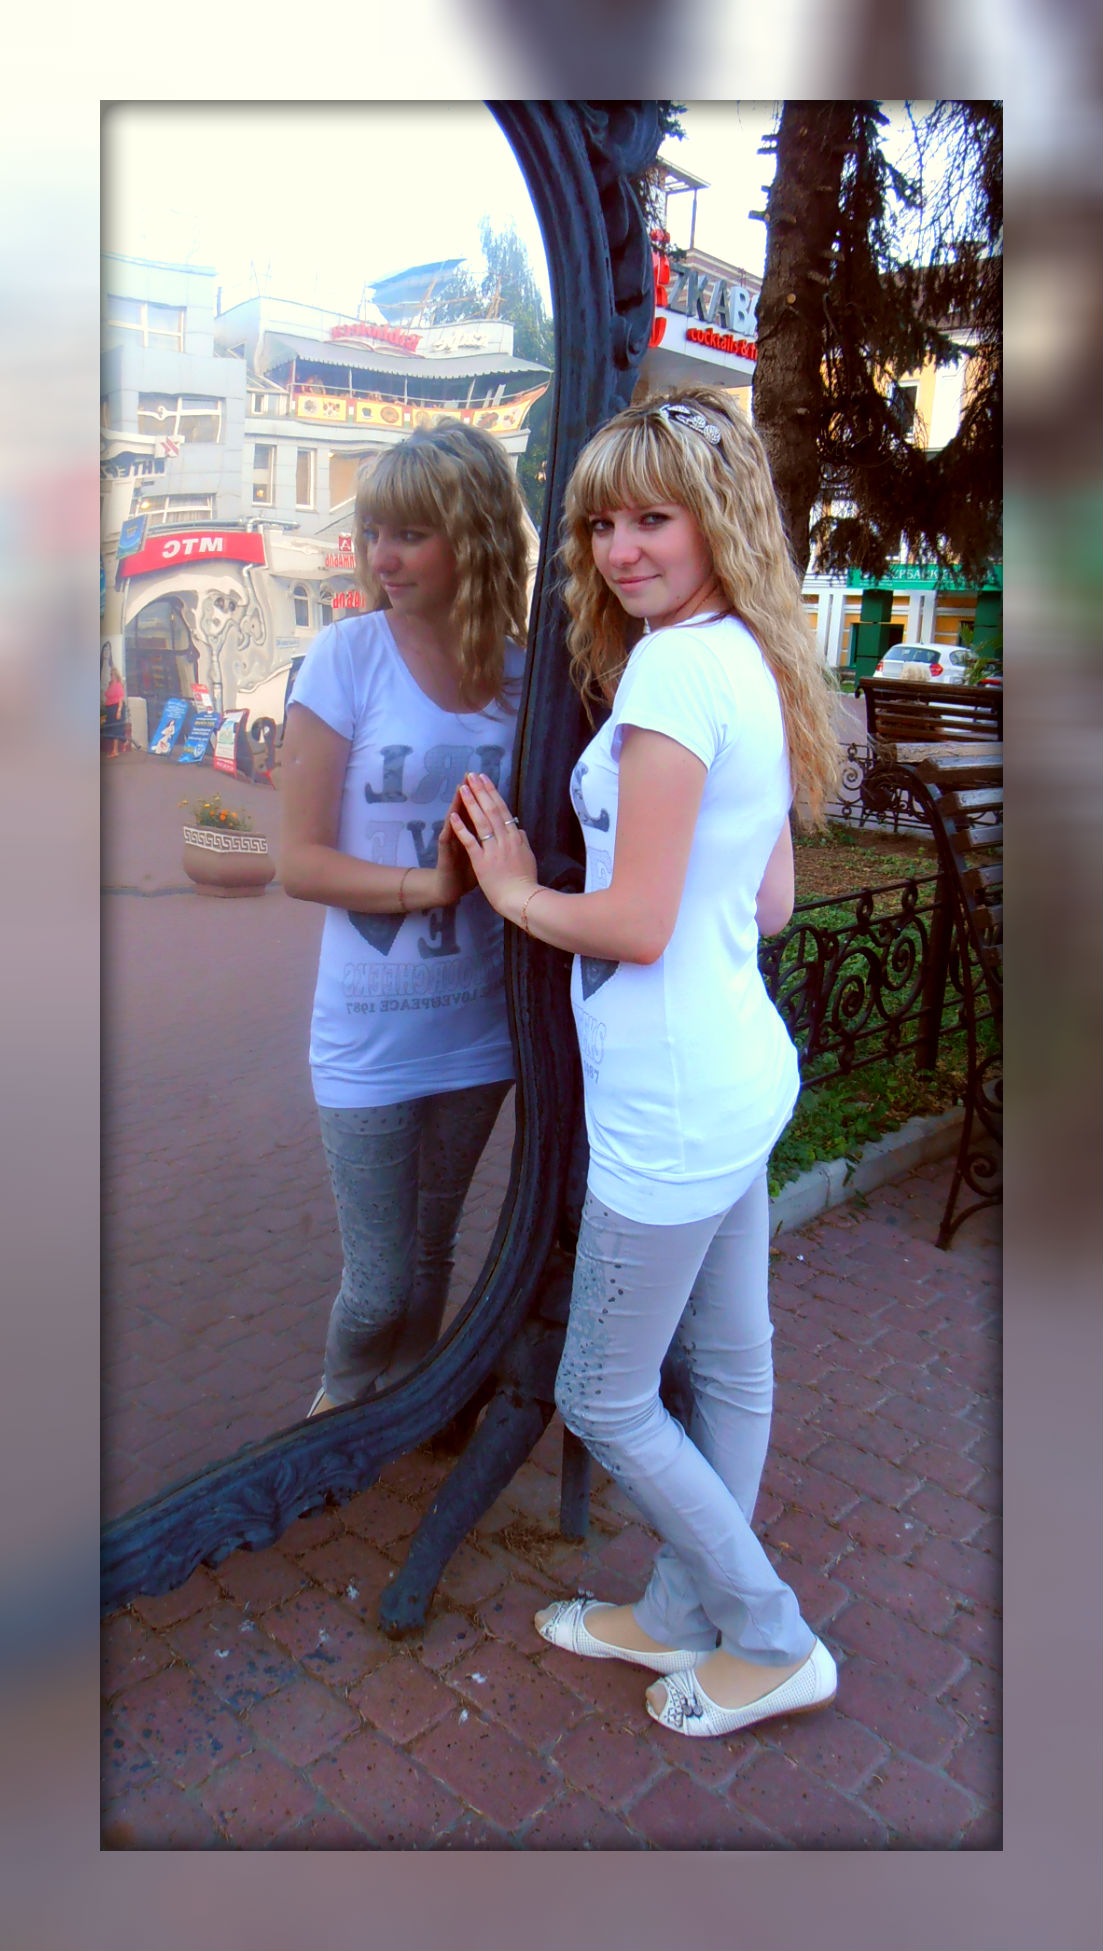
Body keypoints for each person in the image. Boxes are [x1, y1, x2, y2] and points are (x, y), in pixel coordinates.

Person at [449, 386, 842, 1740]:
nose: (619, 551)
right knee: (729, 1367)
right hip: (736, 1075)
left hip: (671, 1106)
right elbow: (769, 904)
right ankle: (680, 1609)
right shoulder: (749, 656)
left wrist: (513, 889)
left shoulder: (675, 671)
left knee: (603, 1394)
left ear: (715, 520)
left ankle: (768, 1634)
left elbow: (635, 923)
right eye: (600, 525)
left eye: (650, 520)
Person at [281, 422, 531, 1416]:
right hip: (368, 1029)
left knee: (433, 1252)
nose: (381, 556)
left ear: (473, 537)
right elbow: (298, 861)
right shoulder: (345, 657)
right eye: (373, 532)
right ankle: (333, 1421)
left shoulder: (524, 676)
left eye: (410, 534)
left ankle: (407, 1414)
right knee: (377, 1281)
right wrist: (427, 887)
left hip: (478, 1021)